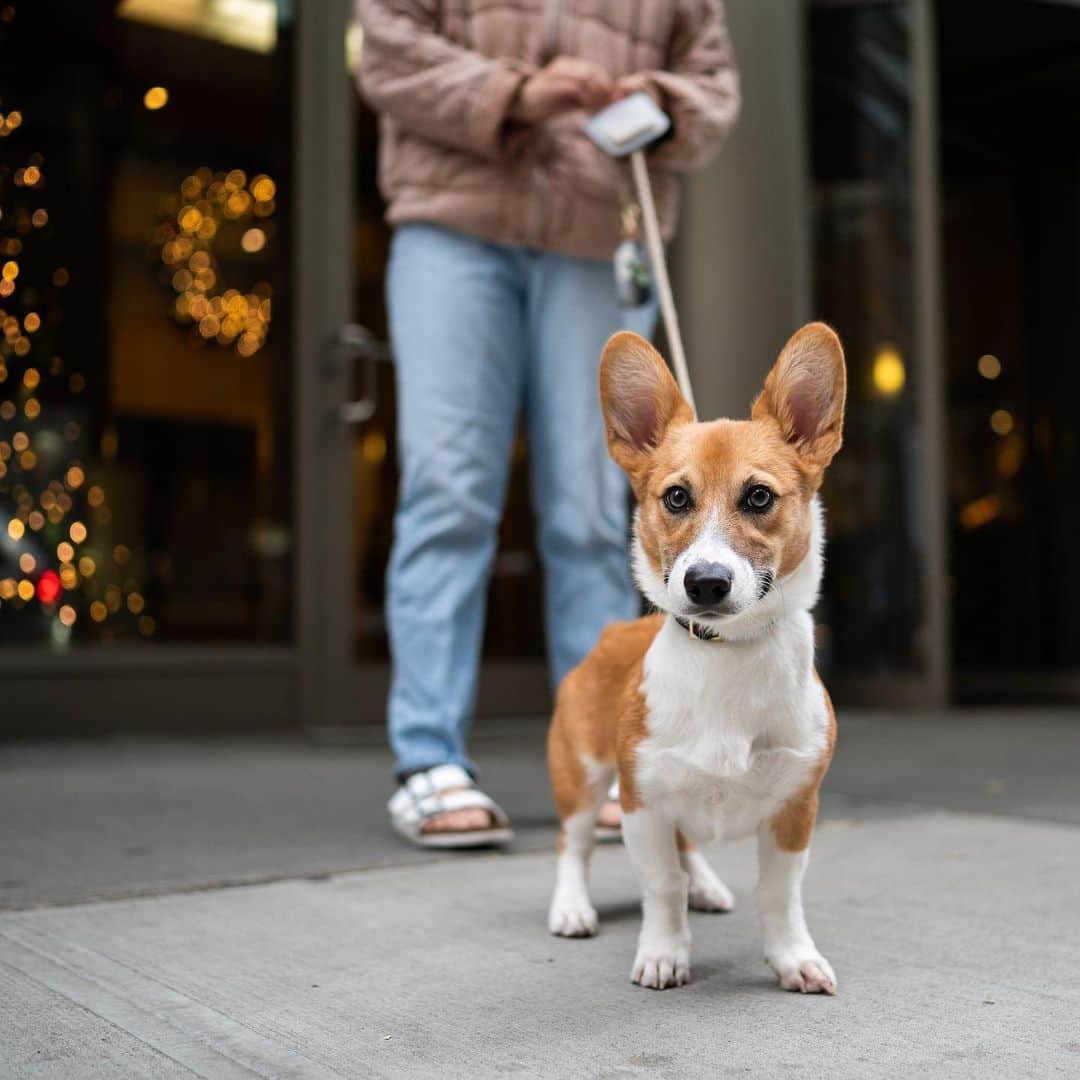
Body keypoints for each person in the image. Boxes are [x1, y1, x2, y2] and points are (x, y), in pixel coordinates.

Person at [355, 0, 739, 847]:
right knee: (447, 492)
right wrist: (517, 94)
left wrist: (661, 102)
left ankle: (612, 756)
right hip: (451, 225)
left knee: (592, 510)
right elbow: (383, 51)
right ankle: (428, 761)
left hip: (597, 235)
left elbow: (714, 90)